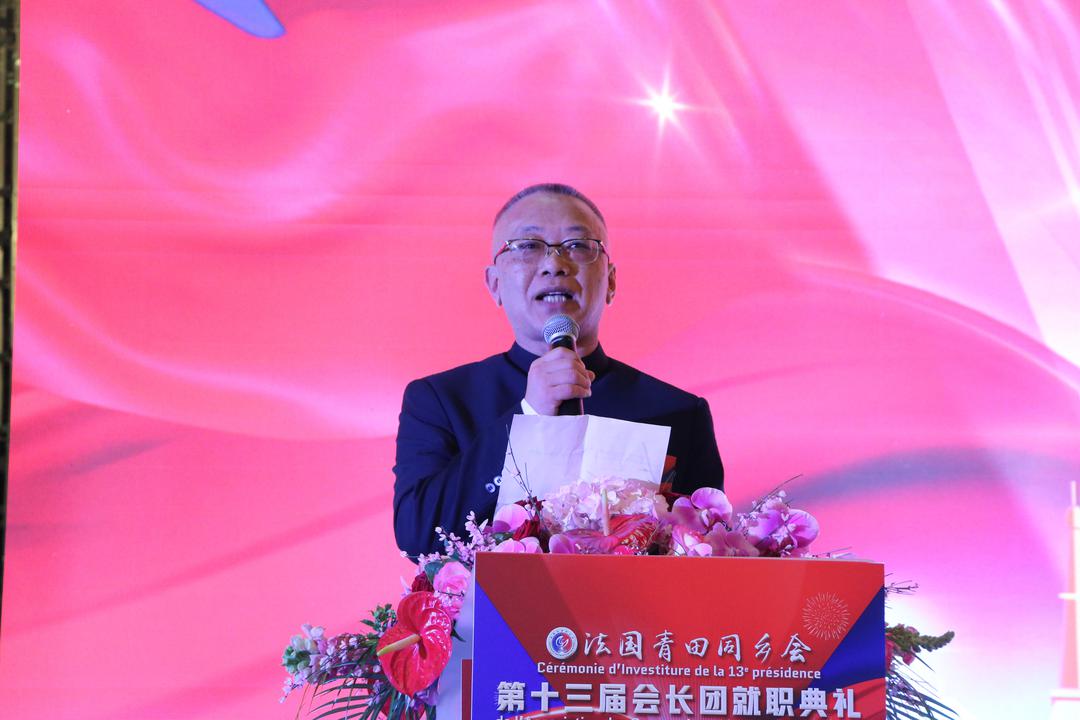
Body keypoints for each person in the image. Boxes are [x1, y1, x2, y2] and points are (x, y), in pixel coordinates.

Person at [393, 183, 724, 557]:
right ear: (495, 284)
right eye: (528, 246)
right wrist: (529, 414)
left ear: (611, 281)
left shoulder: (677, 412)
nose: (554, 264)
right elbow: (419, 535)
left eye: (578, 245)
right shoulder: (441, 400)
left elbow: (705, 554)